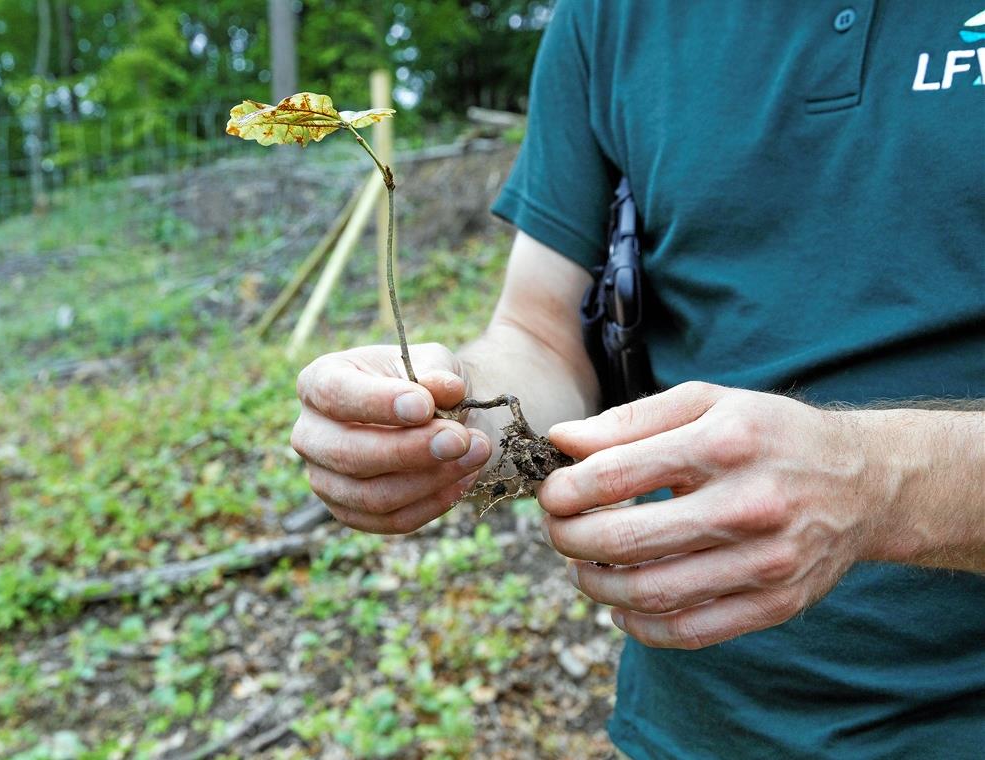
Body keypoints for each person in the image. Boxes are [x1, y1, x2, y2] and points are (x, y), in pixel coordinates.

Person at [291, 1, 985, 756]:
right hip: (693, 723)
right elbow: (539, 334)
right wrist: (447, 418)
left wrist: (879, 484)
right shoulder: (609, 15)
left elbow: (874, 482)